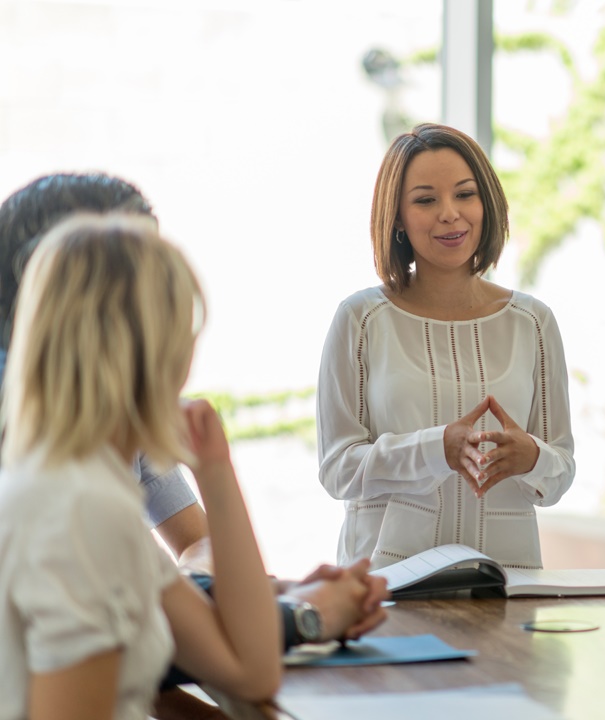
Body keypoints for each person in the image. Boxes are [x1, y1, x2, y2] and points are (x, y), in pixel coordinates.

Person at [0, 173, 388, 666]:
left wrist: (217, 473)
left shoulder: (101, 465)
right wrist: (301, 614)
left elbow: (200, 621)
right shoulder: (74, 503)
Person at [0, 214, 280, 718]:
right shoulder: (83, 510)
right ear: (155, 347)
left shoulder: (79, 487)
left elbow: (251, 668)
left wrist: (216, 471)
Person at [318, 123, 574, 569]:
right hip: (386, 587)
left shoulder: (533, 322)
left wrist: (532, 457)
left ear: (486, 202)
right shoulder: (360, 319)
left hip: (506, 586)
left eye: (465, 194)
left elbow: (560, 470)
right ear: (396, 216)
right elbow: (337, 468)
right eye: (425, 200)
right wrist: (436, 448)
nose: (450, 214)